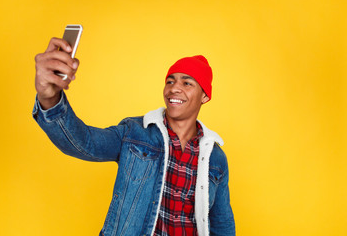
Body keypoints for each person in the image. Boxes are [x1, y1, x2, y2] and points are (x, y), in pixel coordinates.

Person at [33, 38, 235, 236]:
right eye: (170, 81)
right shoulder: (134, 132)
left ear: (205, 96)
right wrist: (49, 98)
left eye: (187, 83)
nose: (174, 88)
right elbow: (84, 143)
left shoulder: (215, 157)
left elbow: (222, 223)